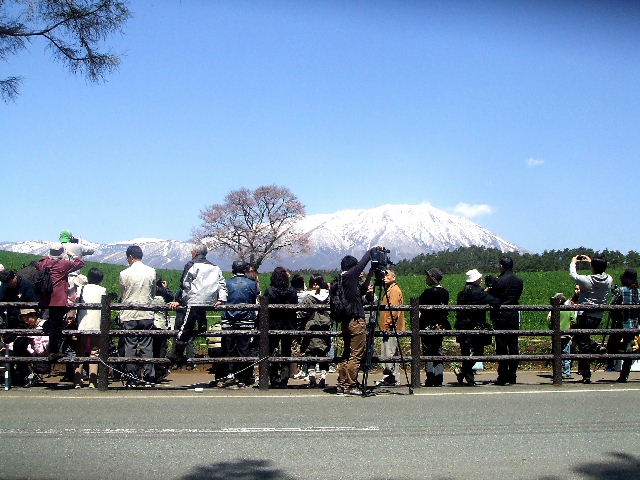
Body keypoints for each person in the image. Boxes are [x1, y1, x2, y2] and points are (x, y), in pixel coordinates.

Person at [167, 244, 227, 367]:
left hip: (194, 301)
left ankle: (177, 355)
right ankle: (202, 324)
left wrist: (181, 300)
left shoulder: (191, 265)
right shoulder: (215, 267)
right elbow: (222, 283)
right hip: (210, 301)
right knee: (200, 322)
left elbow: (185, 284)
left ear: (195, 253)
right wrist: (221, 299)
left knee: (185, 327)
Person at [334, 247, 379, 395]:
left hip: (346, 322)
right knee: (356, 355)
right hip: (356, 321)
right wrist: (372, 250)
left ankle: (342, 385)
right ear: (352, 268)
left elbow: (360, 292)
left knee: (346, 354)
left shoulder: (341, 280)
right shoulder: (349, 276)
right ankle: (351, 386)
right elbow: (361, 264)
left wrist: (370, 274)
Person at [36, 243, 84, 362]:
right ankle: (53, 351)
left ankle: (48, 348)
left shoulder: (43, 263)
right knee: (56, 326)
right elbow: (81, 263)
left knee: (52, 322)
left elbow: (37, 265)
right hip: (58, 299)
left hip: (45, 298)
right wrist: (72, 254)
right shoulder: (64, 264)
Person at [570, 255, 613, 384]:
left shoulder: (587, 280)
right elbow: (601, 271)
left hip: (584, 315)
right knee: (581, 339)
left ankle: (587, 374)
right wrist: (592, 262)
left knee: (582, 344)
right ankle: (596, 348)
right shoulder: (609, 279)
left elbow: (574, 275)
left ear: (593, 267)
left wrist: (573, 263)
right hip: (598, 316)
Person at [119, 245, 157, 386]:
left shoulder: (124, 273)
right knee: (147, 346)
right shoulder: (151, 271)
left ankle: (132, 378)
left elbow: (123, 294)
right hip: (146, 312)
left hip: (129, 313)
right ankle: (149, 377)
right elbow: (152, 293)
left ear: (130, 257)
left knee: (130, 346)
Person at [455, 269, 500, 386]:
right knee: (478, 351)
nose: (481, 280)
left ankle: (468, 376)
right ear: (476, 280)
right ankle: (464, 372)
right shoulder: (479, 293)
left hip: (462, 325)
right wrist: (488, 293)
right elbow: (495, 301)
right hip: (475, 326)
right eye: (480, 278)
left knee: (465, 351)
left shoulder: (462, 293)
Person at [219, 260, 259, 389]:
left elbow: (221, 299)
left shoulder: (226, 283)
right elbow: (255, 300)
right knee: (244, 350)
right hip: (246, 321)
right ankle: (244, 377)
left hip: (228, 321)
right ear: (245, 270)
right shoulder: (252, 284)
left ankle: (225, 376)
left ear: (233, 270)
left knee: (227, 349)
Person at [487, 256, 524, 385]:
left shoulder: (499, 281)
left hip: (501, 316)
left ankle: (502, 375)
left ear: (501, 266)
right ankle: (513, 374)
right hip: (513, 315)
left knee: (502, 346)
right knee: (513, 345)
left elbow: (493, 298)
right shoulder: (519, 281)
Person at [264, 267, 298, 387]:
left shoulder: (269, 291)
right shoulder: (292, 291)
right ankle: (285, 377)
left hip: (273, 324)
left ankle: (273, 377)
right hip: (288, 324)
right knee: (286, 351)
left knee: (270, 350)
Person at [74, 268, 107, 388]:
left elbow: (76, 304)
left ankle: (77, 380)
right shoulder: (103, 290)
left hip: (83, 323)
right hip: (97, 323)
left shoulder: (81, 288)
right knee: (95, 352)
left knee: (80, 351)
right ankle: (93, 381)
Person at [418, 268, 451, 387]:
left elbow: (419, 306)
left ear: (432, 279)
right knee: (438, 349)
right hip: (440, 326)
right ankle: (439, 377)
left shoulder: (427, 293)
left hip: (427, 325)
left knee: (428, 351)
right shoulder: (445, 292)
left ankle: (430, 377)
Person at [299, 274, 331, 388]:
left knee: (310, 352)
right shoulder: (328, 296)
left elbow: (302, 313)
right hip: (325, 327)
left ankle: (312, 378)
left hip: (312, 326)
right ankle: (323, 377)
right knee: (323, 353)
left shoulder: (308, 297)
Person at [376, 269, 406, 387]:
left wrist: (388, 324)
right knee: (391, 352)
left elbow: (393, 311)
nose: (384, 277)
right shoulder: (390, 289)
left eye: (386, 275)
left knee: (389, 352)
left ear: (393, 277)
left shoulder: (393, 291)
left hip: (391, 328)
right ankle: (392, 377)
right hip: (390, 327)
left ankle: (391, 378)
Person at [610, 269, 640, 383]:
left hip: (621, 324)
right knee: (629, 348)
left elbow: (612, 305)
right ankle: (624, 375)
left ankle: (611, 365)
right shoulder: (638, 292)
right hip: (634, 325)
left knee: (612, 345)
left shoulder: (621, 290)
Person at [548, 287, 579, 379]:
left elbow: (550, 322)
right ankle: (567, 372)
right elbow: (574, 321)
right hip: (566, 335)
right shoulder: (568, 310)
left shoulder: (553, 311)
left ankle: (557, 371)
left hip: (556, 335)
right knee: (567, 354)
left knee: (556, 353)